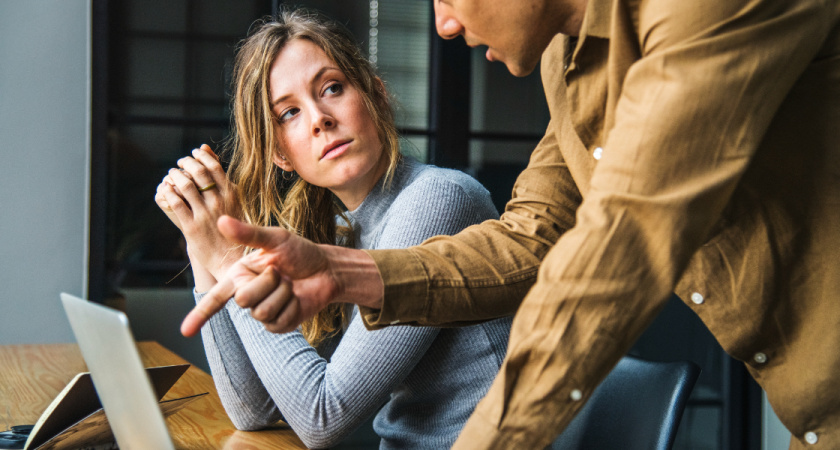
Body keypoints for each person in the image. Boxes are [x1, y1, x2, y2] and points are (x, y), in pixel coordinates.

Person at [183, 0, 840, 448]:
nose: (443, 24)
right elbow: (533, 235)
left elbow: (623, 243)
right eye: (288, 113)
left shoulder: (702, 10)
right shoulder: (569, 62)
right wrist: (339, 270)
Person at [156, 10, 512, 449]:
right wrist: (200, 236)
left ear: (377, 96)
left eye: (332, 88)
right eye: (289, 112)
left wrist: (228, 258)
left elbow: (322, 418)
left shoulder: (438, 199)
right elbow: (254, 409)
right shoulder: (342, 232)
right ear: (281, 155)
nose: (318, 118)